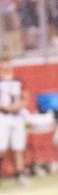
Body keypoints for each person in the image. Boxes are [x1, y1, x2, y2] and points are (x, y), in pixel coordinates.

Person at [0, 57, 29, 185]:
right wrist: (4, 107)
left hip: (16, 116)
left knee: (18, 147)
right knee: (1, 146)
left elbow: (25, 97)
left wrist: (19, 105)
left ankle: (20, 174)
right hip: (3, 115)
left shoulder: (18, 80)